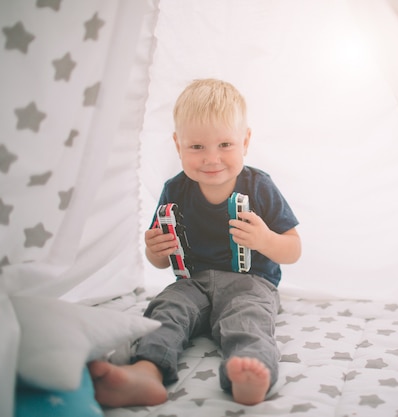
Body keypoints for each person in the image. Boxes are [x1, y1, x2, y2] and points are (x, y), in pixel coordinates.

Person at [88, 78, 301, 407]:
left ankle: (248, 372)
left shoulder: (259, 186)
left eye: (225, 145)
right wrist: (154, 250)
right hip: (193, 283)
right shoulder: (175, 190)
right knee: (166, 309)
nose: (211, 158)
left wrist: (265, 239)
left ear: (245, 140)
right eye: (197, 147)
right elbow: (162, 260)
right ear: (178, 145)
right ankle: (146, 372)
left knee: (248, 319)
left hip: (251, 283)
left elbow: (293, 249)